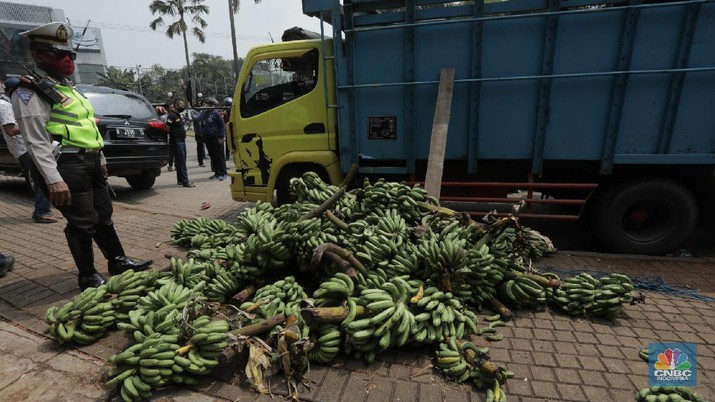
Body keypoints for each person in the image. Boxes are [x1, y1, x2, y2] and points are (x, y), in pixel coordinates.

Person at [11, 22, 152, 290]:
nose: (68, 60)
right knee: (82, 221)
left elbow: (87, 128)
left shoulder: (69, 89)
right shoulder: (29, 91)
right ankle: (87, 275)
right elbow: (36, 140)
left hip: (88, 160)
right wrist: (53, 179)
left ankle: (118, 260)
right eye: (59, 54)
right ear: (39, 55)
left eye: (71, 55)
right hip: (66, 164)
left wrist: (100, 160)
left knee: (103, 213)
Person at [1, 77, 58, 223]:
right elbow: (11, 130)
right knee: (42, 177)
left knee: (42, 177)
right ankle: (42, 212)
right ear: (10, 91)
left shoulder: (11, 103)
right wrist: (32, 124)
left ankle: (45, 210)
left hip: (28, 144)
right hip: (22, 147)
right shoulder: (3, 105)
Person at [166, 99, 195, 187]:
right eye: (181, 105)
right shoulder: (171, 116)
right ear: (177, 105)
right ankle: (185, 181)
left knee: (179, 162)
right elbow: (167, 128)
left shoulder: (178, 115)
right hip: (176, 141)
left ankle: (180, 180)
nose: (183, 106)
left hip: (181, 141)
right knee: (181, 162)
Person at [200, 97, 227, 181]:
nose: (204, 105)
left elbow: (222, 125)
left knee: (220, 156)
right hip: (208, 138)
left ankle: (224, 173)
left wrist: (221, 137)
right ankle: (217, 173)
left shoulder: (216, 114)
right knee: (213, 156)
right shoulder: (204, 114)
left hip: (217, 138)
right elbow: (201, 123)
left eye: (206, 104)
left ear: (211, 105)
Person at [155, 104, 173, 171]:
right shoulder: (163, 117)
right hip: (167, 135)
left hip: (174, 135)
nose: (173, 108)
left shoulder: (175, 115)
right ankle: (170, 165)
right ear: (167, 109)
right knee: (170, 152)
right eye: (171, 107)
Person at [189, 100, 207, 167]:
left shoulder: (204, 110)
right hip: (199, 133)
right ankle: (201, 162)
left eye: (201, 103)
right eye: (198, 103)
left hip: (206, 132)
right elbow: (196, 119)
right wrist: (203, 113)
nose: (200, 104)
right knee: (200, 147)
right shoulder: (194, 111)